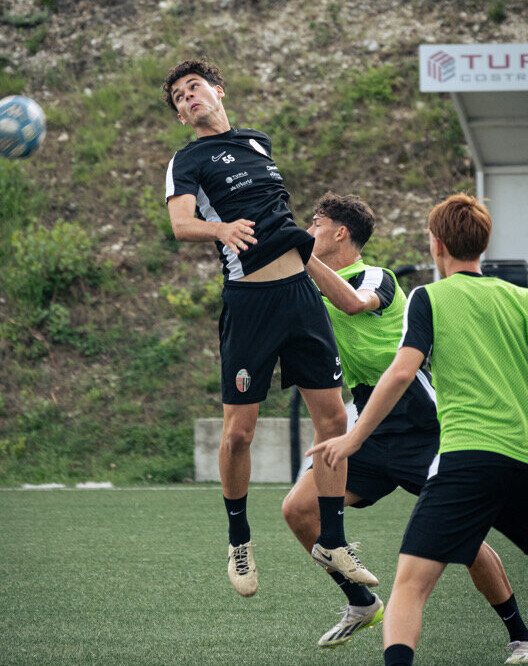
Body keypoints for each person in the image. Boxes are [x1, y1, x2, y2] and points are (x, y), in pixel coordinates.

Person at [162, 60, 377, 598]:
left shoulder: (257, 143)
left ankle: (333, 538)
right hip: (250, 301)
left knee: (332, 418)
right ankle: (239, 539)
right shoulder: (186, 160)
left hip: (300, 297)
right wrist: (221, 228)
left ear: (218, 90)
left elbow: (282, 223)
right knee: (239, 432)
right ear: (181, 116)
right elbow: (181, 224)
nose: (188, 99)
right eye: (179, 99)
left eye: (194, 89)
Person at [283, 192, 527, 654]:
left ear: (340, 232)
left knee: (467, 542)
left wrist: (298, 254)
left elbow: (354, 303)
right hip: (369, 426)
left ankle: (520, 636)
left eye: (314, 223)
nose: (307, 230)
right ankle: (361, 603)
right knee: (298, 510)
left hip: (419, 419)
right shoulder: (308, 282)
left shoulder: (379, 276)